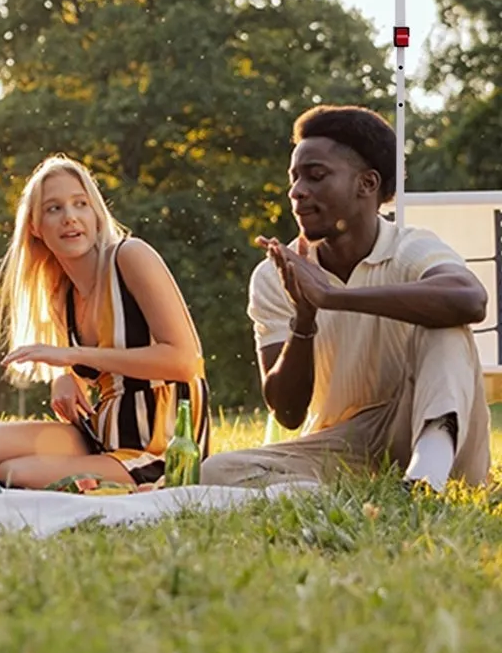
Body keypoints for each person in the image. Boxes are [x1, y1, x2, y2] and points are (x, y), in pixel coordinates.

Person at [202, 105, 490, 492]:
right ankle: (340, 492)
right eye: (294, 178)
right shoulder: (275, 276)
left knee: (446, 322)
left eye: (316, 176)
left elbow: (471, 300)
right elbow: (287, 413)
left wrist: (335, 298)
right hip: (337, 446)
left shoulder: (411, 248)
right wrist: (304, 319)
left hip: (427, 432)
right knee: (214, 472)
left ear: (366, 184)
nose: (296, 192)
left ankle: (426, 479)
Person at [0, 155, 209, 489]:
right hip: (103, 433)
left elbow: (184, 363)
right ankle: (89, 480)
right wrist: (64, 377)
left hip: (160, 443)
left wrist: (74, 358)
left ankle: (118, 482)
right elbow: (89, 368)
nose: (70, 218)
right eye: (54, 209)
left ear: (96, 214)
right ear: (35, 227)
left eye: (81, 204)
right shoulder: (61, 291)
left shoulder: (130, 257)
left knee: (12, 473)